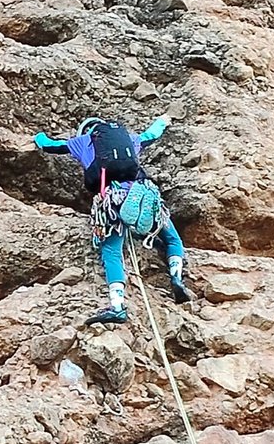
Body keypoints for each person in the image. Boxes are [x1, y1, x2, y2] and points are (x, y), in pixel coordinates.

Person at [33, 115, 192, 325]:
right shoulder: (128, 139)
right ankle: (176, 278)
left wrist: (37, 135)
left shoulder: (82, 142)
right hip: (141, 195)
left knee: (111, 251)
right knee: (172, 239)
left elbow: (49, 145)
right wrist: (163, 120)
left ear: (87, 131)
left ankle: (117, 307)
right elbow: (151, 135)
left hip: (112, 200)